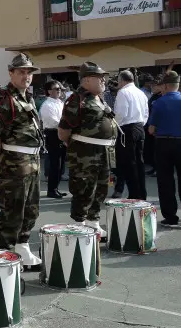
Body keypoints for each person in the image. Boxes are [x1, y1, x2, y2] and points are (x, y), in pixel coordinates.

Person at [0, 53, 43, 266]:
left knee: (31, 208)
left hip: (32, 161)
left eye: (28, 72)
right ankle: (1, 255)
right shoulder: (4, 99)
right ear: (11, 73)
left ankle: (22, 247)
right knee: (13, 210)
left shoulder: (27, 97)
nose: (26, 76)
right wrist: (8, 154)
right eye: (21, 72)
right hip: (15, 163)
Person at [58, 62, 117, 240]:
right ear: (87, 79)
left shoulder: (100, 98)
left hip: (104, 152)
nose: (104, 80)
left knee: (101, 188)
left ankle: (94, 221)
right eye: (100, 77)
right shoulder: (77, 99)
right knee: (83, 188)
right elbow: (63, 132)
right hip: (85, 153)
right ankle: (79, 223)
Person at [146, 70, 181, 227]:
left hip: (163, 144)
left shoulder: (158, 102)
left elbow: (151, 129)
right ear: (178, 85)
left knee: (165, 181)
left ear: (165, 85)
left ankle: (171, 217)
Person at [113, 70, 149, 200]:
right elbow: (146, 113)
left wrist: (116, 125)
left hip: (127, 129)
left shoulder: (123, 92)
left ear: (121, 80)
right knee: (139, 162)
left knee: (129, 163)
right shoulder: (141, 93)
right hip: (140, 127)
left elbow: (121, 114)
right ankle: (141, 194)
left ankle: (135, 195)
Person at [40, 81, 67, 199]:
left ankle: (56, 188)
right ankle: (51, 190)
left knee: (60, 164)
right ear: (49, 91)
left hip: (61, 132)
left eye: (60, 88)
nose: (59, 90)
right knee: (54, 163)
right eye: (56, 88)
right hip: (53, 134)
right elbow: (54, 121)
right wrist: (66, 127)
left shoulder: (60, 103)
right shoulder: (47, 105)